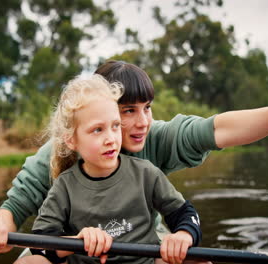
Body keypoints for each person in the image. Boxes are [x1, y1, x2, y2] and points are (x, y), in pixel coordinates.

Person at [0, 60, 268, 258]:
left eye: (147, 108)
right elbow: (16, 207)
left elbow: (220, 128)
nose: (142, 121)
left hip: (137, 241)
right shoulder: (60, 152)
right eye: (128, 110)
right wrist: (1, 227)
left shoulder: (152, 137)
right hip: (72, 246)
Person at [15, 74, 201, 264]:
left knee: (199, 262)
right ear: (71, 140)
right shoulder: (64, 186)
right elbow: (40, 243)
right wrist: (78, 241)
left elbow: (186, 214)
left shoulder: (146, 173)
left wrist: (183, 236)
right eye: (98, 130)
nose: (111, 138)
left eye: (115, 126)